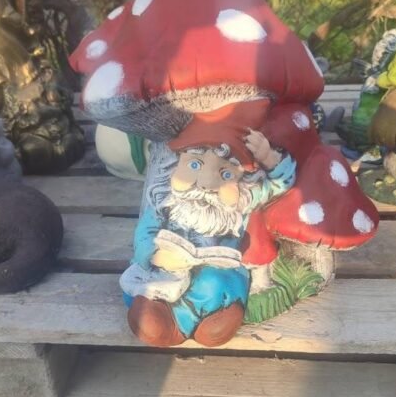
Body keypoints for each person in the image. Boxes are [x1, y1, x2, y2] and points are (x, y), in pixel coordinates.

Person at [121, 100, 296, 347]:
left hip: (216, 276)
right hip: (164, 272)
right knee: (150, 299)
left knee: (214, 285)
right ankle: (162, 321)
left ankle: (211, 321)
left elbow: (281, 183)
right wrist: (156, 255)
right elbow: (144, 234)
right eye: (194, 165)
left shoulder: (241, 202)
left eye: (226, 174)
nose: (205, 184)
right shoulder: (165, 203)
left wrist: (269, 157)